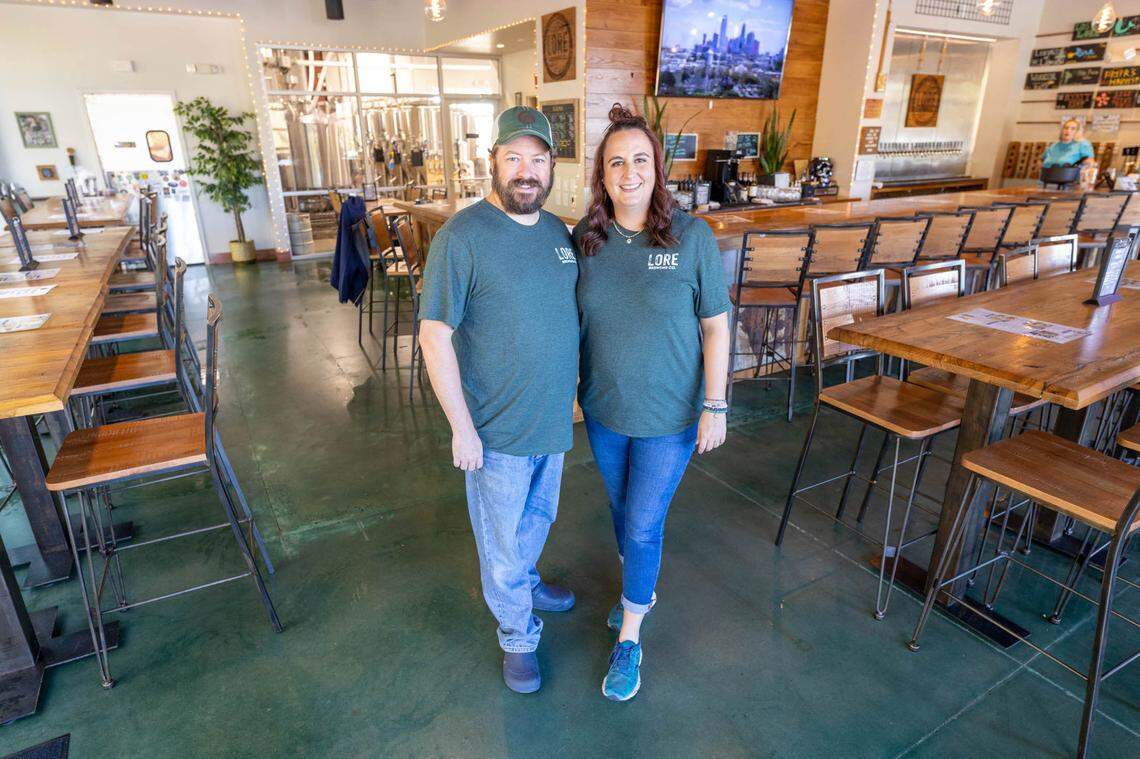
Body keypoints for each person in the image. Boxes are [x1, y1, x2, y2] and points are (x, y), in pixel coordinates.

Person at [418, 107, 579, 695]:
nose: (525, 171)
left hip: (551, 421)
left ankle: (526, 584)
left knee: (537, 520)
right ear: (493, 162)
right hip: (495, 430)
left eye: (537, 159)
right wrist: (462, 428)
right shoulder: (461, 237)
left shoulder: (559, 234)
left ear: (551, 166)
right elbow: (433, 335)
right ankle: (517, 634)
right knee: (502, 541)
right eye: (513, 158)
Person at [573, 104, 731, 702]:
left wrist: (715, 405)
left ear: (658, 168)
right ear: (602, 174)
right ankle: (637, 589)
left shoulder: (692, 237)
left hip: (669, 416)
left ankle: (631, 634)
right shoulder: (585, 240)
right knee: (621, 511)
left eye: (641, 159)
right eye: (617, 162)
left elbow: (715, 326)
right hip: (605, 410)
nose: (629, 172)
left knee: (643, 522)